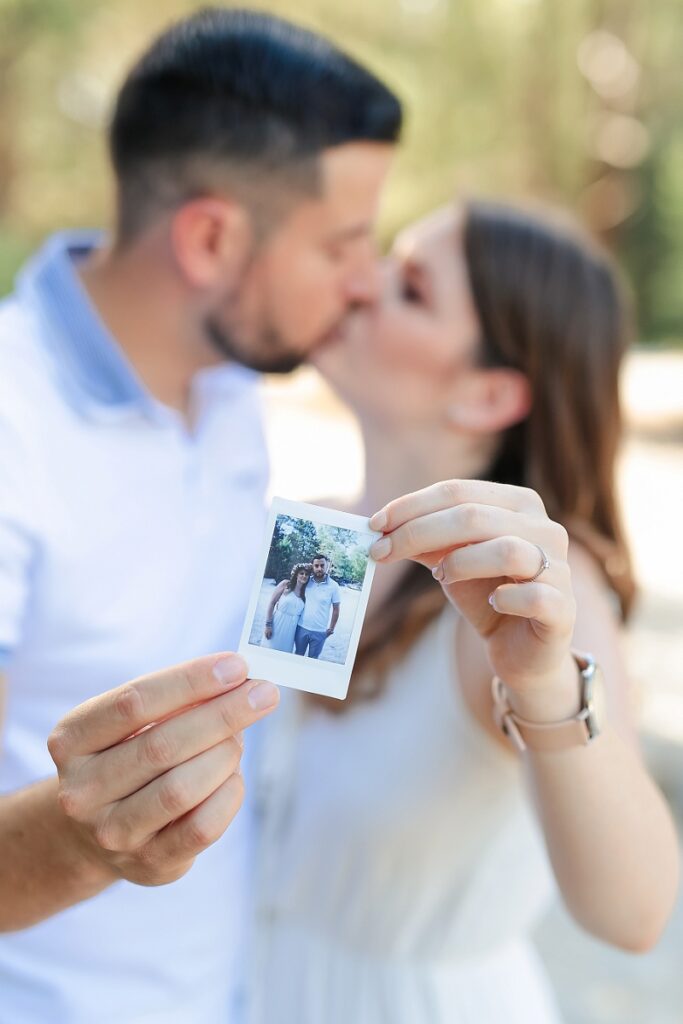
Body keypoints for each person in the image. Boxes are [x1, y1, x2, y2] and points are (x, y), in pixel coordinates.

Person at [0, 8, 400, 1023]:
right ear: (212, 237)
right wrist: (88, 837)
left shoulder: (230, 391)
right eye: (344, 244)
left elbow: (265, 658)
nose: (366, 282)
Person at [246, 201, 680, 1023]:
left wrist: (544, 681)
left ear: (489, 393)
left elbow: (634, 913)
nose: (359, 281)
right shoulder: (313, 532)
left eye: (409, 287)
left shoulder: (534, 593)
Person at [294, 554, 342, 658]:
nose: (319, 568)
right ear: (312, 566)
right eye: (316, 566)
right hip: (301, 627)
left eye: (322, 565)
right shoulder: (306, 581)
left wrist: (331, 628)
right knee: (297, 656)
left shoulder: (334, 586)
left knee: (313, 660)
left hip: (320, 632)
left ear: (327, 566)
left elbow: (336, 609)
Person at [263, 564, 311, 653]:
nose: (304, 576)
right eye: (301, 573)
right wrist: (268, 625)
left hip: (291, 631)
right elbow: (272, 603)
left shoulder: (305, 593)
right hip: (277, 623)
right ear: (296, 574)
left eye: (306, 574)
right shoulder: (286, 584)